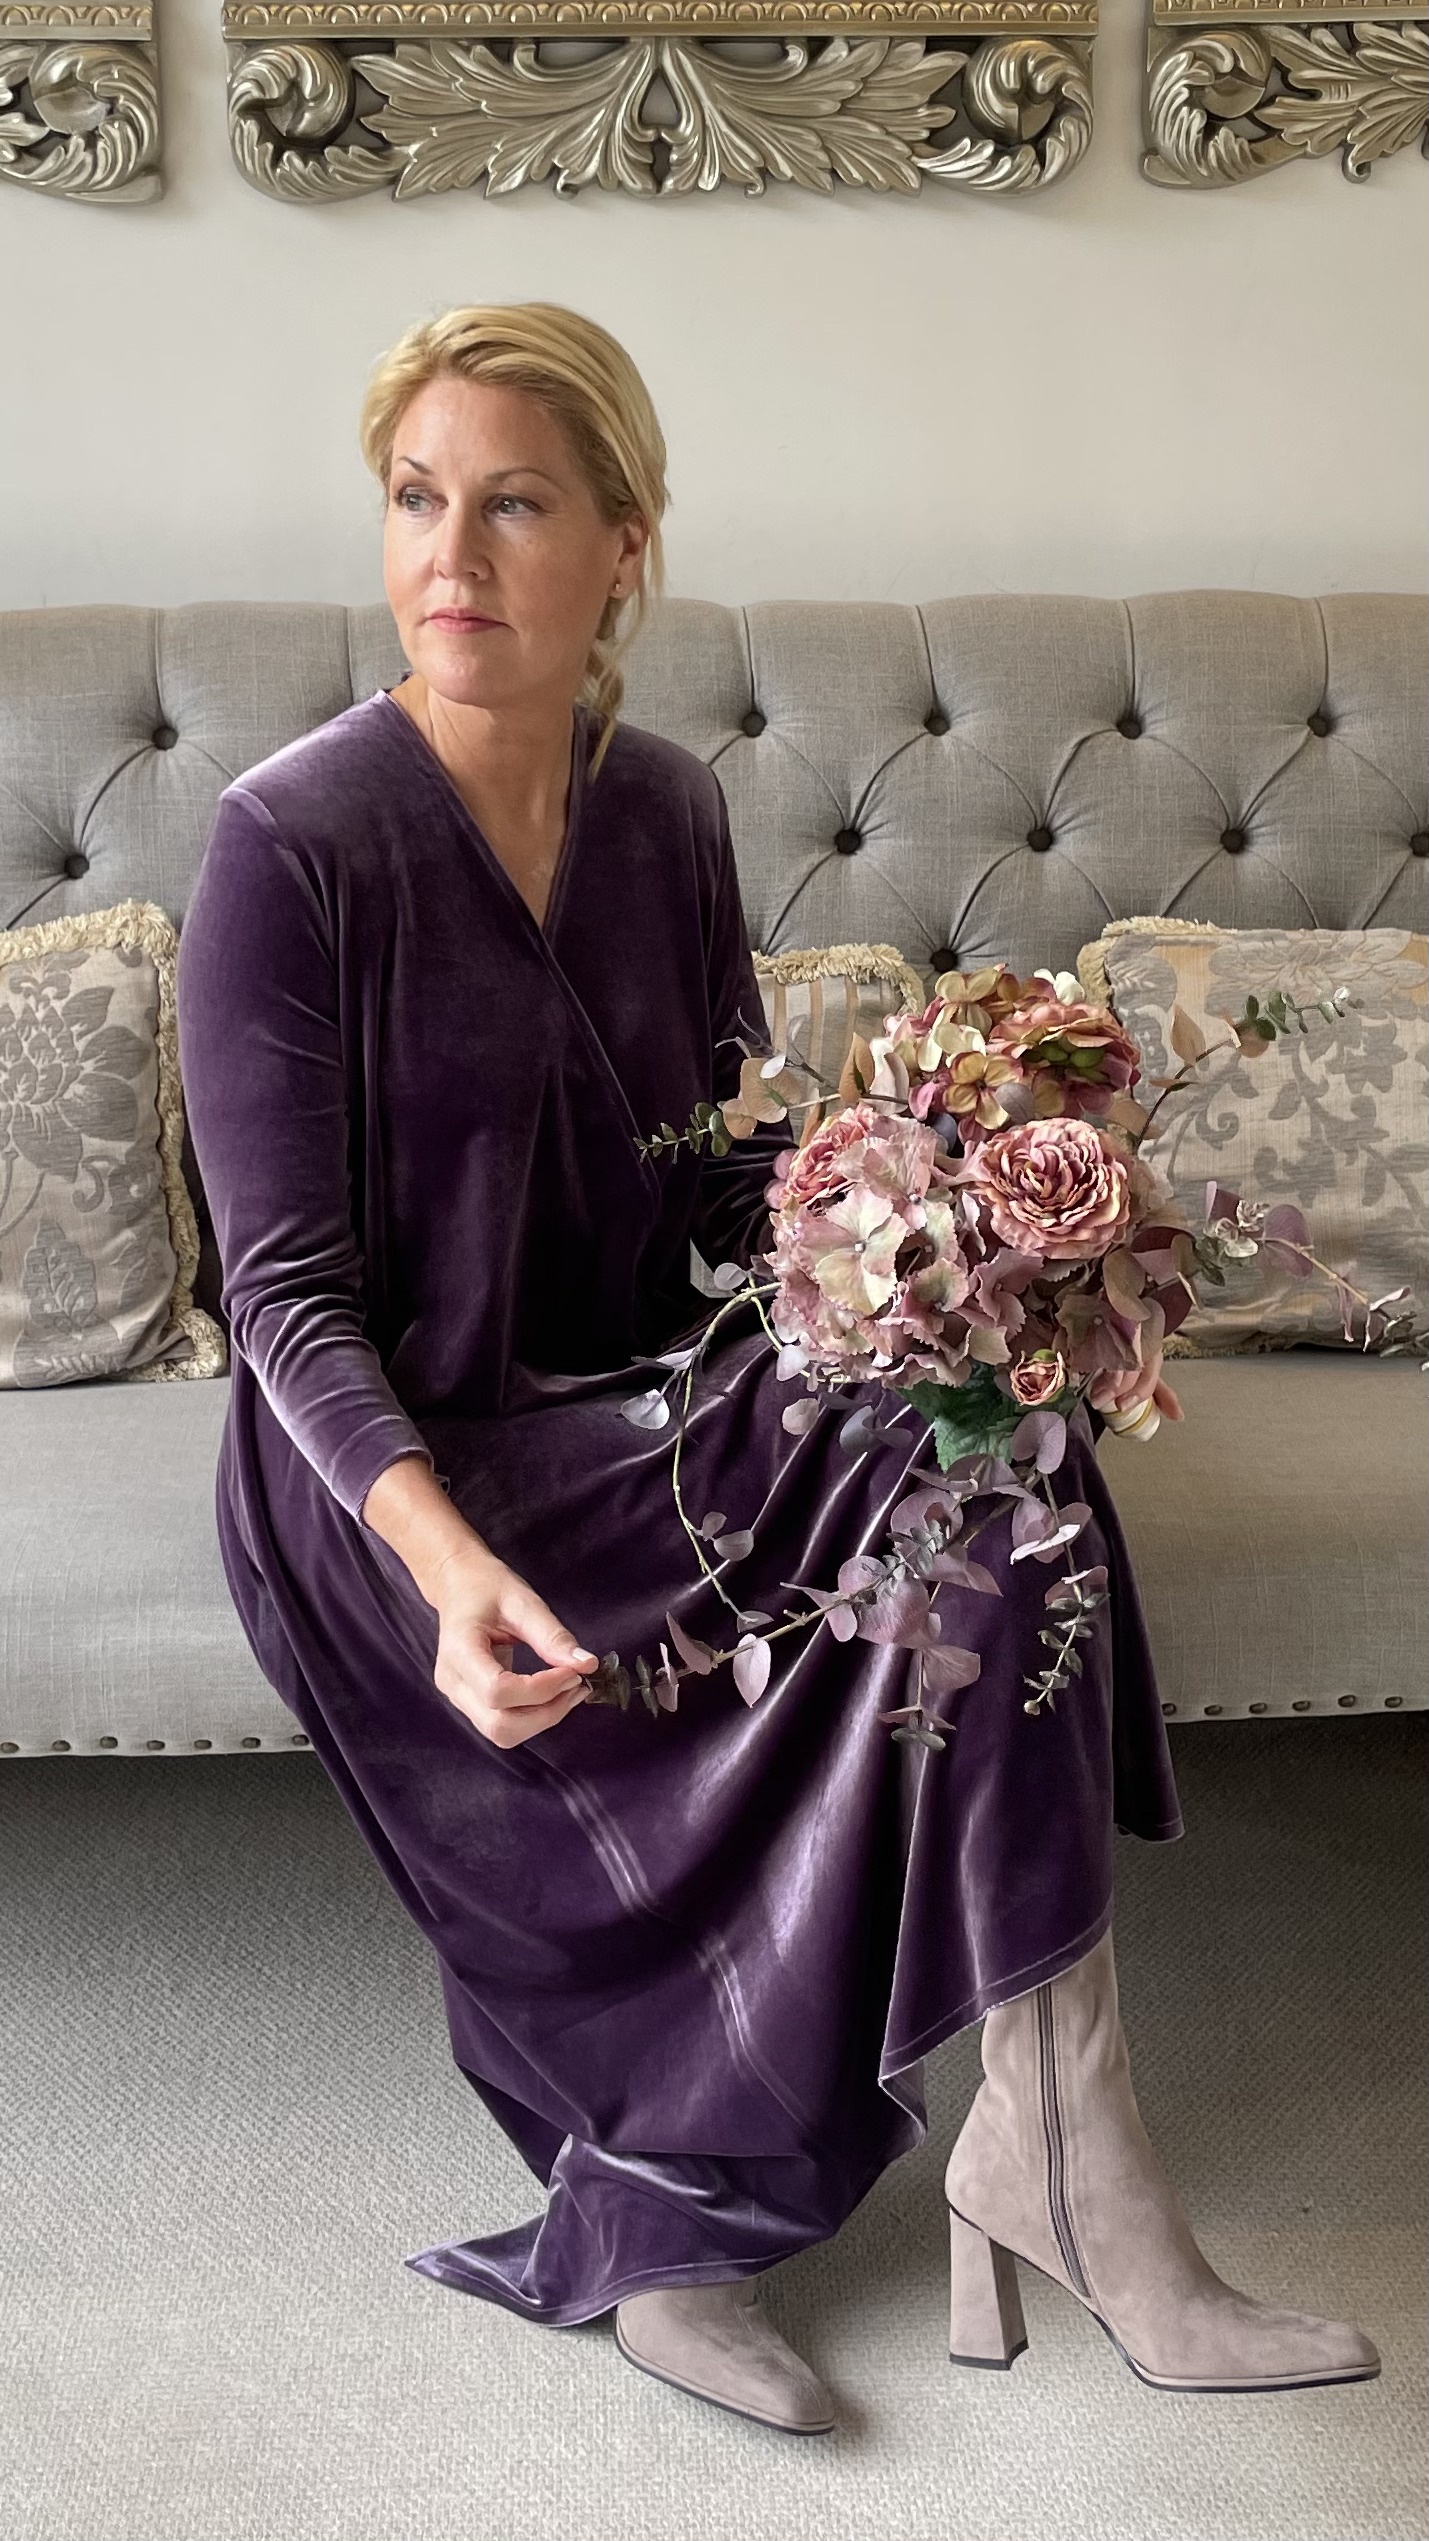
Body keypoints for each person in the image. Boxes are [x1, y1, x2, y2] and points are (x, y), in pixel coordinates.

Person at [177, 303, 1377, 2435]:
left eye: (514, 501)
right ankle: (675, 2202)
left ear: (622, 548)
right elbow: (284, 1298)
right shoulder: (292, 845)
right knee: (902, 1506)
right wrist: (446, 1572)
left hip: (646, 1386)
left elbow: (725, 1193)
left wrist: (932, 1283)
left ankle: (1064, 2129)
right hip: (396, 1470)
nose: (449, 553)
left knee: (993, 1464)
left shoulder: (658, 812)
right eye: (415, 499)